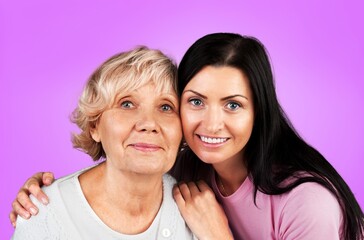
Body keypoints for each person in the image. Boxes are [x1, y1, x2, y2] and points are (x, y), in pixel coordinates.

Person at [10, 33, 364, 239]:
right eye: (195, 101)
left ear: (261, 112)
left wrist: (218, 236)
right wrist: (39, 194)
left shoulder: (307, 203)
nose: (211, 124)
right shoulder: (188, 170)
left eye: (233, 105)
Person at [11, 46, 196, 239]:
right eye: (127, 104)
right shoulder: (43, 214)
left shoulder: (199, 207)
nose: (149, 124)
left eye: (166, 107)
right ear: (94, 126)